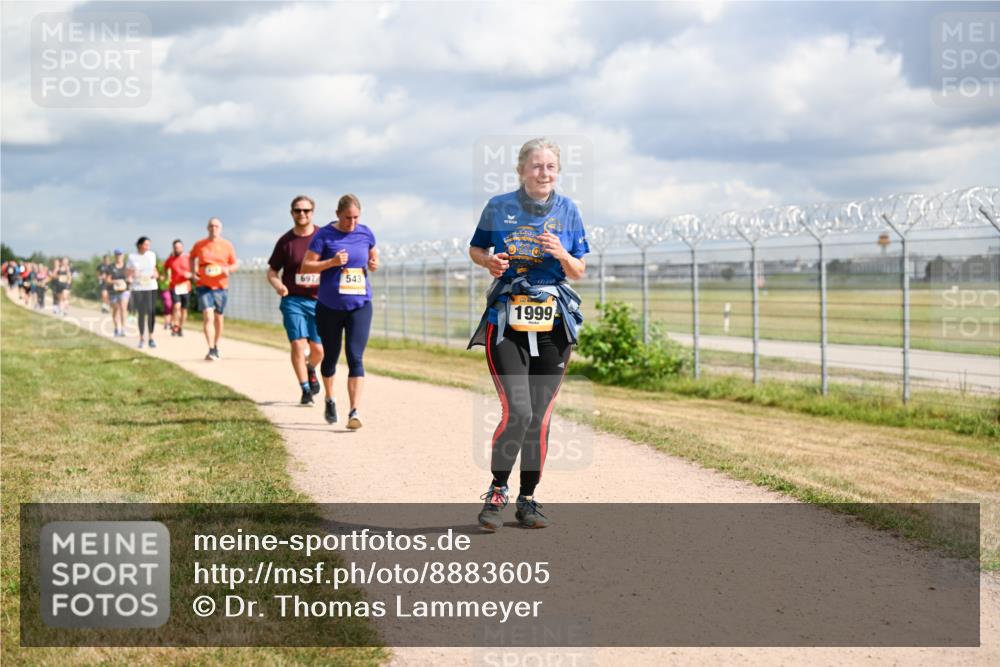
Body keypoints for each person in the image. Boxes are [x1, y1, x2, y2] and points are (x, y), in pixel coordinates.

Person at [467, 138, 589, 531]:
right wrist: (490, 260)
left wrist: (562, 253)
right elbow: (476, 250)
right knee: (518, 411)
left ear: (558, 171)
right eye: (537, 166)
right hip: (507, 320)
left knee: (539, 417)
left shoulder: (569, 210)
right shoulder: (499, 207)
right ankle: (498, 489)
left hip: (553, 323)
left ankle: (528, 498)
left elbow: (579, 270)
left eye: (551, 166)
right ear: (521, 170)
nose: (544, 173)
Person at [301, 194, 378, 429]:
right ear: (337, 214)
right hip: (330, 307)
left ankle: (354, 411)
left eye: (356, 218)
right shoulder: (324, 235)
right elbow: (307, 266)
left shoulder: (366, 233)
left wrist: (374, 264)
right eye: (347, 218)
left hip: (360, 305)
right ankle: (329, 398)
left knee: (355, 357)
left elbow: (373, 256)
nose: (351, 223)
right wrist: (331, 262)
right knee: (331, 357)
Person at [267, 195, 325, 406]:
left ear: (312, 212)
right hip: (293, 300)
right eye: (298, 210)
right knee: (298, 345)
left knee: (318, 350)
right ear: (292, 213)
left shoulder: (322, 236)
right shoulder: (285, 241)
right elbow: (272, 271)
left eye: (306, 210)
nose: (302, 214)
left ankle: (310, 368)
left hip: (319, 301)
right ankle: (305, 389)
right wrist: (278, 285)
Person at [190, 218, 237, 361]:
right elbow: (191, 257)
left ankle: (216, 345)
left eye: (216, 226)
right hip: (204, 285)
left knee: (218, 317)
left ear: (220, 228)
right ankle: (210, 348)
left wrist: (228, 269)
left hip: (221, 286)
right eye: (211, 226)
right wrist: (193, 272)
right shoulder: (200, 244)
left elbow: (234, 264)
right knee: (208, 315)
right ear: (207, 228)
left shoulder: (227, 245)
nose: (213, 228)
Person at [127, 237, 159, 349]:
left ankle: (151, 338)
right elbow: (128, 272)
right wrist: (131, 276)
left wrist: (156, 275)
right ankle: (141, 338)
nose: (148, 247)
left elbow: (155, 270)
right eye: (145, 244)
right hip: (138, 288)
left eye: (149, 244)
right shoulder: (132, 257)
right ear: (139, 245)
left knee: (151, 312)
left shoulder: (152, 255)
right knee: (141, 313)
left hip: (151, 287)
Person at [163, 239, 192, 337]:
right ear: (173, 248)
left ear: (182, 247)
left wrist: (190, 274)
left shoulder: (188, 257)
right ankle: (175, 325)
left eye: (179, 247)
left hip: (185, 286)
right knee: (176, 306)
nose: (177, 249)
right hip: (175, 286)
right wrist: (166, 277)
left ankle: (180, 327)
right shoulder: (170, 259)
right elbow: (165, 268)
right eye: (176, 247)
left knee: (184, 309)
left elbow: (195, 269)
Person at [105, 249, 131, 337]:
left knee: (123, 308)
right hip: (113, 291)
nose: (119, 256)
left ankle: (123, 329)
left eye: (120, 255)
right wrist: (115, 282)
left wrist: (129, 280)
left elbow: (130, 277)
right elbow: (107, 280)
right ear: (115, 256)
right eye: (117, 255)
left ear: (123, 256)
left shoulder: (127, 267)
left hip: (124, 290)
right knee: (116, 309)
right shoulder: (110, 267)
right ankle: (117, 328)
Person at [156, 256, 173, 333]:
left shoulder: (175, 269)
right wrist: (159, 277)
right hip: (165, 288)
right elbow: (157, 275)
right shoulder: (162, 267)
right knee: (168, 305)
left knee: (174, 306)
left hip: (175, 288)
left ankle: (171, 322)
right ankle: (167, 322)